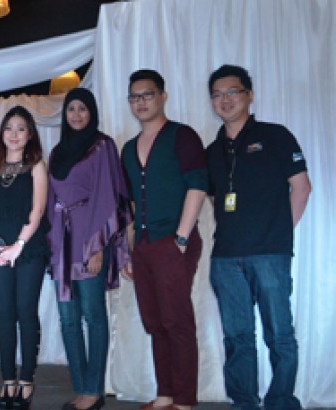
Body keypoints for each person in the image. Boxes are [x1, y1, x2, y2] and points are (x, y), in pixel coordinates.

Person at [205, 65, 311, 410]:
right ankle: (244, 403)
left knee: (279, 335)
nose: (225, 100)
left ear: (249, 95)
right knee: (237, 338)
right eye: (218, 94)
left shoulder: (276, 135)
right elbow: (211, 199)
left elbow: (301, 186)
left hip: (269, 253)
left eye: (232, 92)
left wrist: (279, 234)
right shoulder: (211, 151)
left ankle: (281, 402)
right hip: (225, 258)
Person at [120, 69, 207, 410]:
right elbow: (127, 204)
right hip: (143, 246)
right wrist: (130, 250)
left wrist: (181, 239)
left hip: (174, 241)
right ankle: (166, 394)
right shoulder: (128, 149)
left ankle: (184, 401)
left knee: (177, 321)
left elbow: (198, 185)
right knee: (155, 322)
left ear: (163, 96)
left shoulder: (182, 136)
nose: (141, 102)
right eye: (134, 97)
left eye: (147, 94)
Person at [46, 88, 132, 410]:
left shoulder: (103, 146)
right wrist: (52, 245)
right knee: (68, 319)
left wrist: (98, 247)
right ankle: (81, 387)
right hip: (62, 245)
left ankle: (94, 389)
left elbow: (108, 195)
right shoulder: (56, 153)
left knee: (93, 316)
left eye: (83, 108)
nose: (77, 114)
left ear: (92, 112)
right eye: (71, 109)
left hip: (90, 240)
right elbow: (52, 199)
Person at [0, 105, 50, 410]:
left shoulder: (36, 166)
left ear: (30, 134)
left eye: (21, 128)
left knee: (26, 312)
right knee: (4, 314)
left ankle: (26, 378)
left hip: (28, 249)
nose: (14, 134)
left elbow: (37, 211)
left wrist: (19, 245)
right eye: (9, 128)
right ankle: (7, 379)